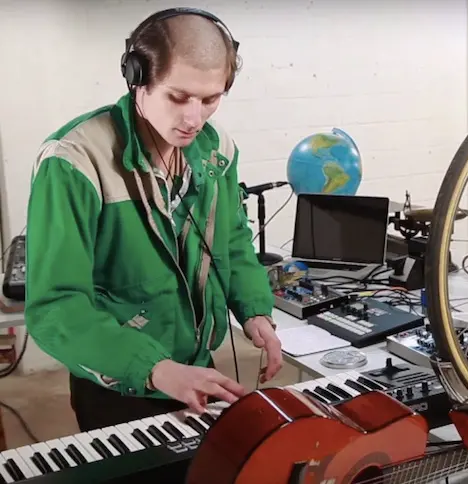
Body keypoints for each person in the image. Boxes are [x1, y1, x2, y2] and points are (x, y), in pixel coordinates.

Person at [23, 8, 283, 432]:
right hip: (119, 381)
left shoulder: (218, 152)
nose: (194, 119)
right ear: (136, 77)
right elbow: (56, 307)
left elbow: (232, 239)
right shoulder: (73, 161)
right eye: (178, 97)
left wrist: (255, 310)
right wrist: (156, 368)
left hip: (198, 368)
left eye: (210, 99)